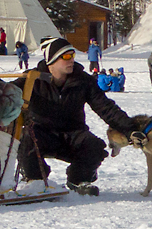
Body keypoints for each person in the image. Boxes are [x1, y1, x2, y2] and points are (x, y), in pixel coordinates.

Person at [19, 38, 141, 195]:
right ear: (52, 61)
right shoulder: (32, 79)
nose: (71, 60)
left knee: (94, 146)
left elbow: (105, 107)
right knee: (26, 138)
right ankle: (35, 180)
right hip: (41, 133)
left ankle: (79, 180)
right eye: (66, 56)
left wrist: (131, 128)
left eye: (73, 55)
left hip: (73, 133)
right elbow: (7, 95)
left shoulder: (83, 80)